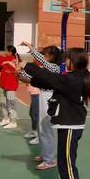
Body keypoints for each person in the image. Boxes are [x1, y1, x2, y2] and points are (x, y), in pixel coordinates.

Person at [20, 48, 90, 179]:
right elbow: (49, 82)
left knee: (68, 164)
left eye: (67, 59)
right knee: (63, 161)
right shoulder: (78, 77)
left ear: (74, 61)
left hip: (71, 125)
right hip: (67, 123)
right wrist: (26, 77)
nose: (65, 62)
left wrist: (28, 66)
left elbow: (51, 78)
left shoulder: (74, 79)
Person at [20, 42, 62, 171]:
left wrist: (31, 49)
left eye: (45, 54)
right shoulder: (46, 69)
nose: (43, 57)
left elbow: (41, 65)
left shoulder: (55, 68)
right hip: (43, 95)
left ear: (51, 56)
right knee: (41, 127)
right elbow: (33, 77)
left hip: (49, 97)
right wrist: (19, 72)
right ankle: (45, 154)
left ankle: (50, 159)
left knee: (46, 128)